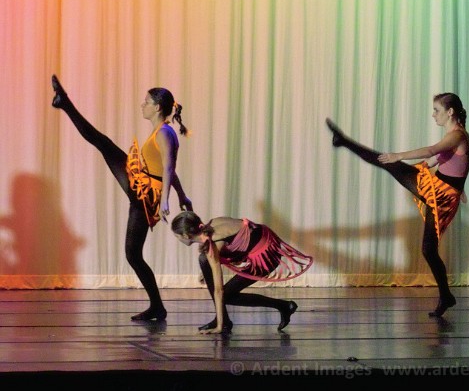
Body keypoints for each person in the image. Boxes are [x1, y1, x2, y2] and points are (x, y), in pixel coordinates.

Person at [50, 74, 193, 321]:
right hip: (141, 186)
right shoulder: (161, 132)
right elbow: (166, 168)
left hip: (145, 194)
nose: (142, 105)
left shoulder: (164, 133)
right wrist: (182, 195)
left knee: (132, 254)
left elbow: (169, 167)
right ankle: (64, 103)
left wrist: (166, 200)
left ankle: (157, 307)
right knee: (103, 142)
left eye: (147, 102)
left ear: (157, 107)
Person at [325, 92, 469, 317]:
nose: (433, 115)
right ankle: (446, 296)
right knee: (429, 250)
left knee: (388, 163)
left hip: (441, 194)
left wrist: (398, 157)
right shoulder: (454, 136)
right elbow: (435, 160)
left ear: (450, 112)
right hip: (439, 192)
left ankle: (343, 141)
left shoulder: (457, 135)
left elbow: (432, 150)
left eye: (437, 110)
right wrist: (409, 167)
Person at [170, 210, 313, 334]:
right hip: (265, 239)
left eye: (177, 236)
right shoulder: (214, 223)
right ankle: (223, 319)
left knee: (226, 295)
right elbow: (239, 237)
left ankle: (283, 306)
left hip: (265, 256)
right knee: (203, 259)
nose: (177, 239)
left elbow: (219, 290)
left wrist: (219, 327)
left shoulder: (212, 245)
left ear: (186, 235)